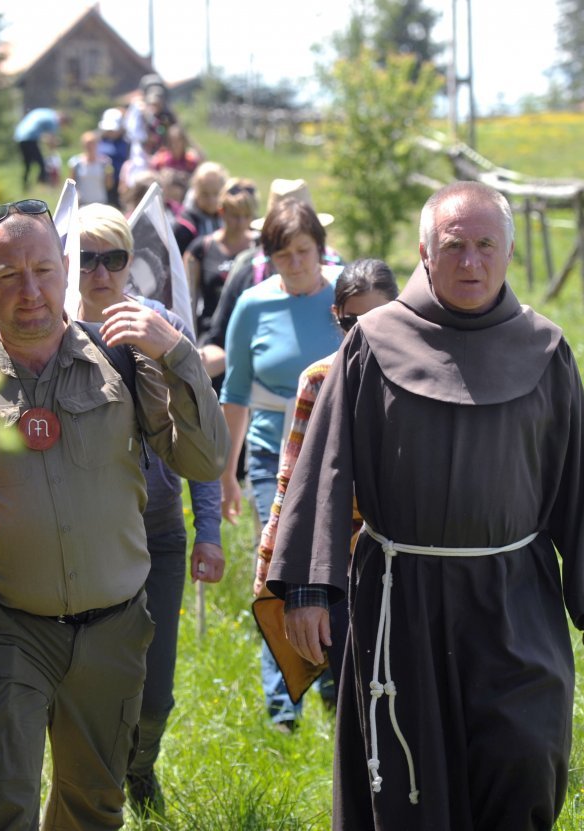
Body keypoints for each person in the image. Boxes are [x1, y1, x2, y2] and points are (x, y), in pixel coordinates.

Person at [268, 181, 584, 829]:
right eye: (454, 245)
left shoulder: (545, 348)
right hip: (402, 599)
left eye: (486, 245)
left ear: (510, 253)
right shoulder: (373, 342)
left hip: (514, 597)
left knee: (526, 755)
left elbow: (579, 476)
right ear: (424, 253)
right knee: (412, 782)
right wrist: (307, 587)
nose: (471, 261)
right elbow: (325, 466)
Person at [0, 199, 227, 830]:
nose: (30, 292)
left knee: (93, 808)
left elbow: (205, 461)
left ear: (65, 270)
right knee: (3, 809)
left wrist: (179, 356)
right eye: (8, 276)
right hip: (4, 625)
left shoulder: (123, 357)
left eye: (45, 271)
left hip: (114, 630)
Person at [76, 203, 224, 816]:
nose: (101, 272)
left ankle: (142, 766)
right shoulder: (50, 332)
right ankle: (95, 787)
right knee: (91, 685)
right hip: (88, 537)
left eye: (114, 258)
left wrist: (208, 530)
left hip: (159, 532)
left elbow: (202, 432)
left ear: (131, 263)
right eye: (86, 259)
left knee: (154, 691)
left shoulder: (159, 323)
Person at [219, 198, 345, 733]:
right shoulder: (252, 304)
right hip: (275, 453)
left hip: (342, 455)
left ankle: (340, 686)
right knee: (281, 576)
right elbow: (236, 391)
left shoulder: (348, 296)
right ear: (267, 257)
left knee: (338, 570)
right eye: (282, 255)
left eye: (303, 252)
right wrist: (227, 471)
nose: (294, 263)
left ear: (320, 250)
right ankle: (282, 704)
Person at [252, 260, 400, 681]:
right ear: (337, 317)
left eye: (378, 318)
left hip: (408, 561)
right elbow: (295, 480)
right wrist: (281, 569)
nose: (364, 332)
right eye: (352, 321)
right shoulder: (319, 380)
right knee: (353, 686)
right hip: (339, 563)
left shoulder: (421, 379)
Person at [199, 178, 342, 382]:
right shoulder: (247, 273)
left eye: (303, 249)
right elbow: (220, 341)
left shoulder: (343, 277)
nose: (295, 262)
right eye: (283, 251)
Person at [184, 178, 258, 359]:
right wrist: (189, 337)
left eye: (246, 216)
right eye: (235, 215)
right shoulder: (201, 248)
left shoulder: (260, 246)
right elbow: (188, 298)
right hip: (212, 336)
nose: (241, 222)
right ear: (221, 213)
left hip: (252, 335)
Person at [13, 107, 66, 188]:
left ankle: (25, 185)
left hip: (20, 136)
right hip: (30, 138)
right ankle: (42, 183)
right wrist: (53, 149)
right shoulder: (53, 120)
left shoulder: (47, 113)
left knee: (27, 164)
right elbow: (51, 139)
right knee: (41, 163)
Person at [97, 108, 131, 209]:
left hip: (121, 184)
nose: (111, 132)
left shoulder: (127, 143)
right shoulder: (100, 142)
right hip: (102, 184)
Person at [68, 130, 112, 206]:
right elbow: (71, 185)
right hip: (82, 203)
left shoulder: (105, 162)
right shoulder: (75, 162)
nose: (89, 146)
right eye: (87, 144)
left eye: (92, 143)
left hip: (100, 202)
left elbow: (109, 185)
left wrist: (109, 173)